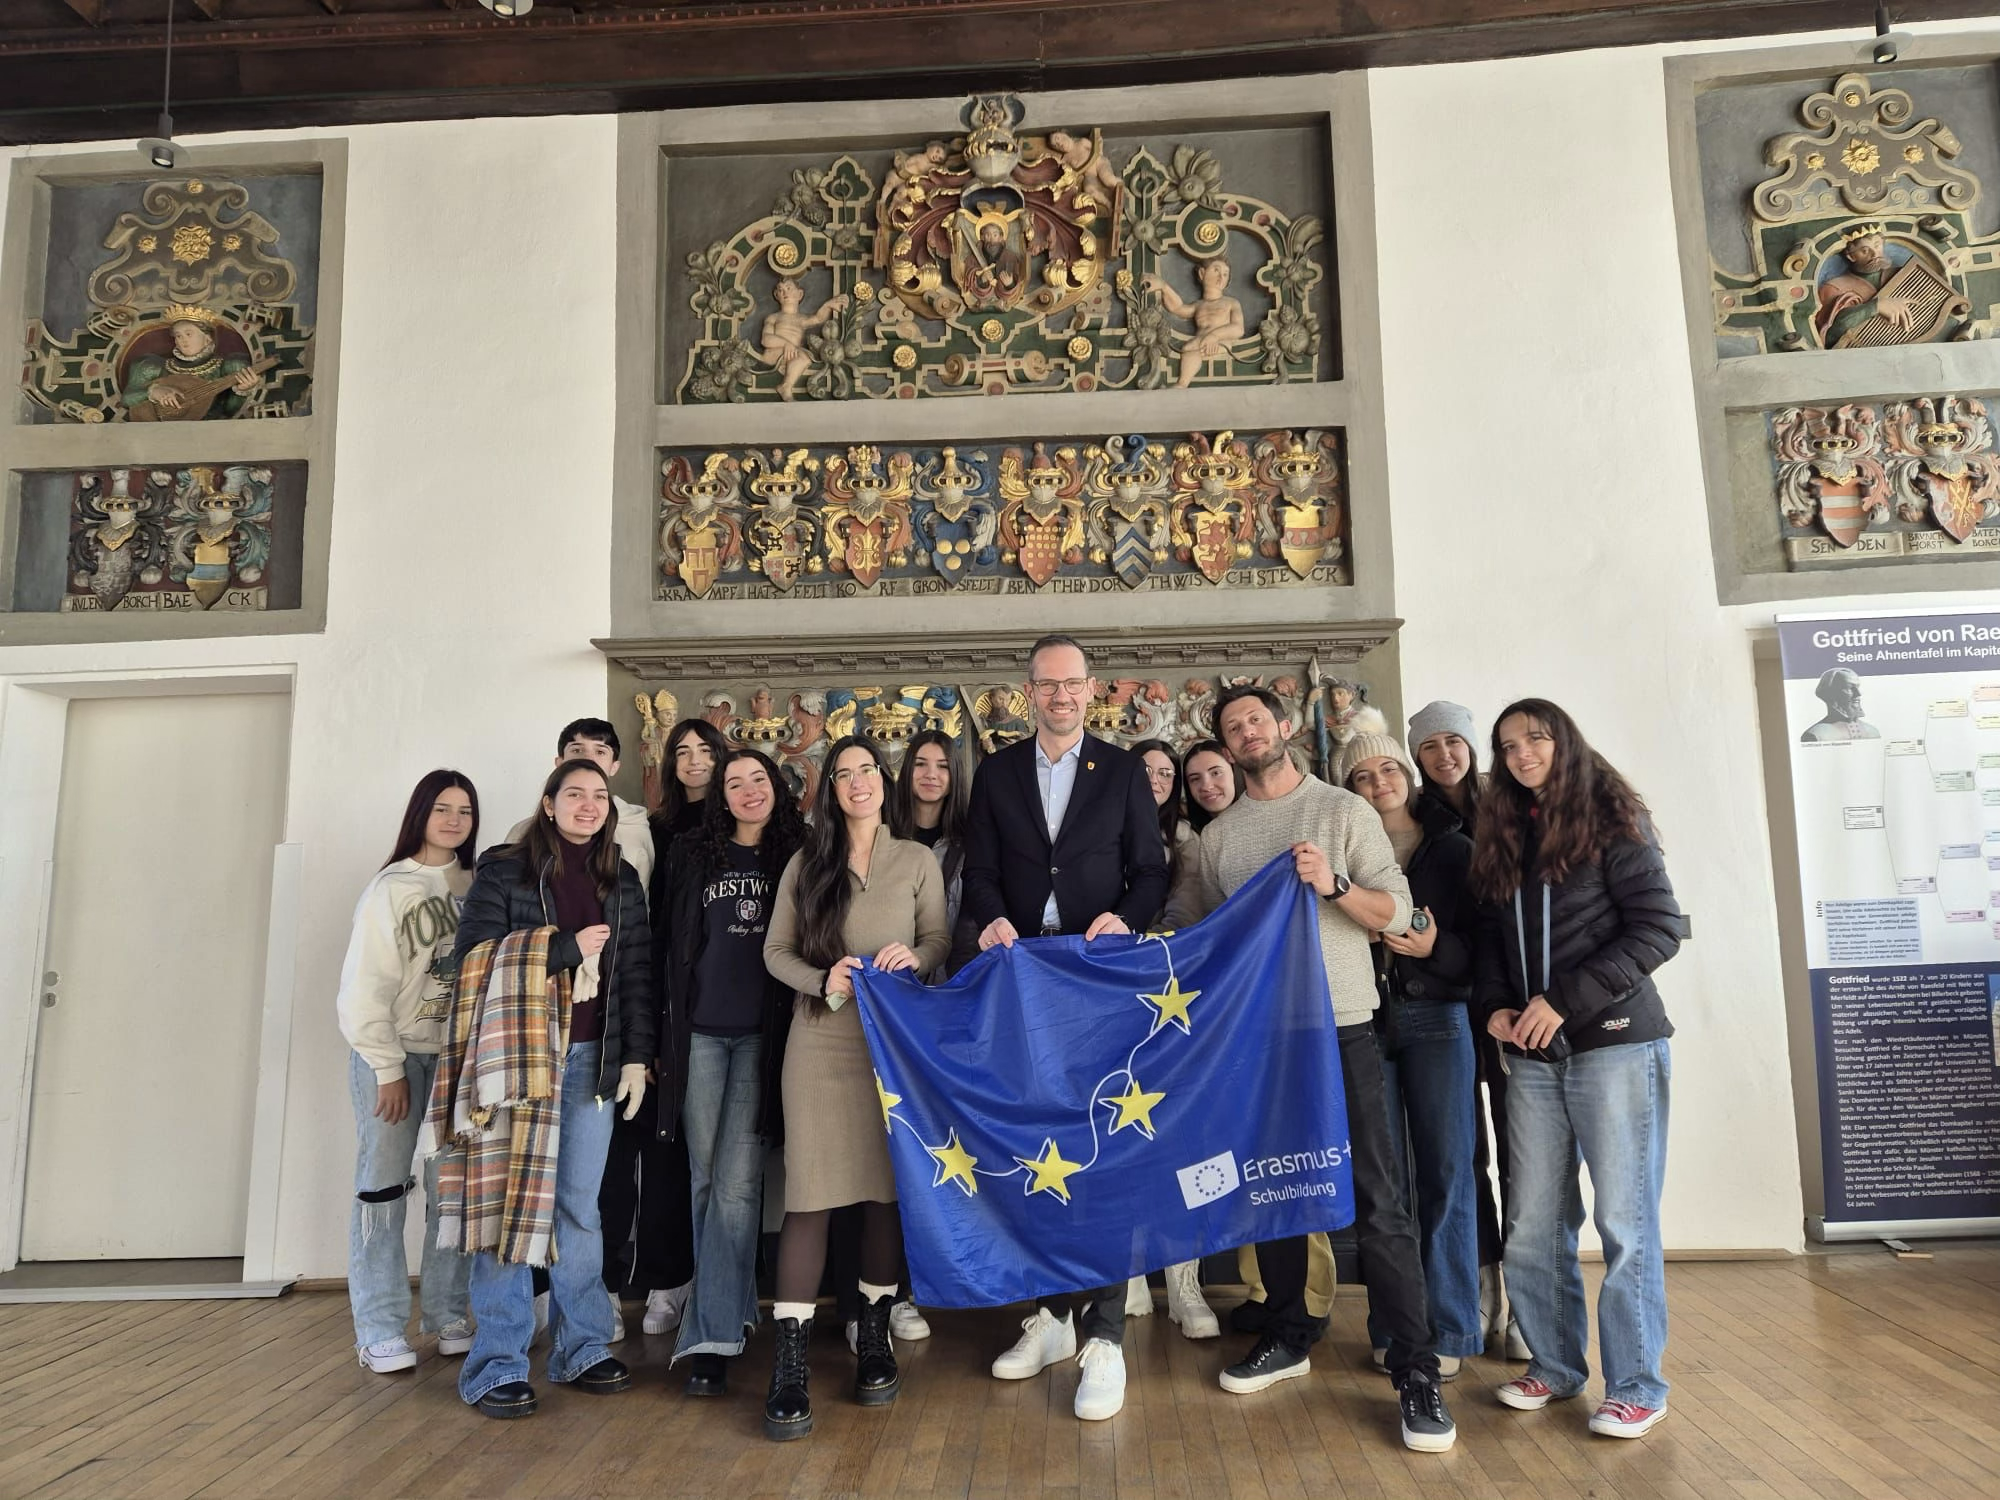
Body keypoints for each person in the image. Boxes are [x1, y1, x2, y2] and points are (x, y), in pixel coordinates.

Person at [1191, 684, 1455, 1455]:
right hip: (1264, 1039)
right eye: (1233, 727)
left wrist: (1333, 885)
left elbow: (1398, 914)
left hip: (1342, 1026)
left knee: (1378, 1197)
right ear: (1227, 746)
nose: (1247, 733)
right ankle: (1288, 1333)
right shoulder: (1219, 838)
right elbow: (1212, 936)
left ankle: (1415, 1369)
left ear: (1282, 728)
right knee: (1275, 1191)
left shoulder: (1343, 810)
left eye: (1256, 720)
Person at [962, 633, 1169, 1422]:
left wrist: (1128, 919)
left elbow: (1150, 870)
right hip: (1023, 979)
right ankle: (1051, 1317)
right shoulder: (996, 772)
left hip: (1097, 978)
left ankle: (1105, 1337)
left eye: (1071, 683)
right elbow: (980, 872)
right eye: (1046, 684)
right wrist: (991, 918)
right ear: (1029, 693)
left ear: (1091, 689)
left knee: (1104, 1151)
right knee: (1038, 1148)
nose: (1059, 695)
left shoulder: (1121, 771)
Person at [1473, 699, 1683, 1440]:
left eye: (1535, 739)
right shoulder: (1503, 830)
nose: (1522, 755)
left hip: (1616, 1046)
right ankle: (1556, 1366)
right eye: (1508, 746)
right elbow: (1494, 942)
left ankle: (1637, 1386)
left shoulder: (1612, 820)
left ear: (1564, 742)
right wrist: (1496, 1007)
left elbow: (1659, 929)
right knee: (1533, 1224)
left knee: (1624, 1223)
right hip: (1532, 1059)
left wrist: (1562, 1001)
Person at [449, 759, 656, 1419]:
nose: (589, 805)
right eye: (575, 794)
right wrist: (563, 949)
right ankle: (497, 1365)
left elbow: (637, 974)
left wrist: (636, 1057)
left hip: (593, 1061)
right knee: (509, 1209)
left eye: (600, 796)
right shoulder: (505, 870)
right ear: (548, 803)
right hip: (520, 1060)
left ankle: (583, 1347)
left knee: (579, 1210)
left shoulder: (620, 877)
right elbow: (470, 961)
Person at [760, 736, 950, 1441]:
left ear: (882, 779)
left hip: (893, 1046)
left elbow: (939, 941)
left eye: (866, 769)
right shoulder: (807, 861)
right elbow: (774, 951)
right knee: (809, 1198)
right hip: (819, 1043)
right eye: (842, 774)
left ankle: (873, 1337)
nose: (856, 782)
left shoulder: (917, 860)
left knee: (881, 1195)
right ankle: (790, 1365)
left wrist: (915, 956)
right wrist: (823, 978)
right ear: (831, 790)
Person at [654, 748, 807, 1397]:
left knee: (738, 1185)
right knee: (705, 1179)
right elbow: (667, 946)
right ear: (721, 795)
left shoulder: (799, 853)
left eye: (758, 779)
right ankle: (734, 1310)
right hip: (697, 1035)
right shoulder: (691, 853)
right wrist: (660, 1039)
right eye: (735, 783)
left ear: (777, 787)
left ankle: (710, 1336)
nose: (748, 790)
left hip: (761, 1039)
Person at [1338, 733, 1481, 1381]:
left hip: (1439, 1019)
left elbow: (1482, 947)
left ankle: (1450, 1326)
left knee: (1447, 1174)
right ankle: (1398, 1328)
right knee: (1383, 1182)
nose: (1379, 783)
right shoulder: (1345, 850)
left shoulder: (1452, 848)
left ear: (1408, 772)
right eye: (1362, 776)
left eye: (1388, 768)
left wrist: (1433, 949)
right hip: (1366, 1020)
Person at [337, 769, 479, 1373]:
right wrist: (387, 1067)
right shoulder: (390, 888)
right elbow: (363, 986)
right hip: (392, 1056)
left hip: (455, 1060)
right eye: (442, 808)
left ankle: (447, 1313)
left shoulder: (478, 884)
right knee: (383, 1187)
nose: (453, 820)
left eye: (464, 811)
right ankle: (378, 1327)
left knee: (452, 1191)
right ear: (420, 812)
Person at [1409, 699, 1527, 1362]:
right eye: (1430, 746)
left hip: (1513, 998)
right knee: (1464, 1157)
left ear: (1472, 747)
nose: (1444, 754)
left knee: (1522, 1153)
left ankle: (1526, 1297)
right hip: (1452, 1000)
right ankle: (1483, 1288)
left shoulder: (1510, 808)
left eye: (1453, 741)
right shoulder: (1419, 820)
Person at [1123, 737, 1219, 1341]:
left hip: (1173, 1001)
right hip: (1113, 1003)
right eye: (1145, 770)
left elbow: (1187, 913)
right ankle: (1130, 1274)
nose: (1156, 780)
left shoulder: (1187, 841)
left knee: (1180, 1139)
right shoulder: (1101, 828)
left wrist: (1145, 945)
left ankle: (1185, 1282)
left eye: (1166, 772)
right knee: (1121, 1133)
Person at [1800, 668, 1880, 743]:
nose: (1858, 694)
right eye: (1849, 687)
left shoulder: (1873, 731)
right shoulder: (1816, 734)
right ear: (1832, 693)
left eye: (1857, 687)